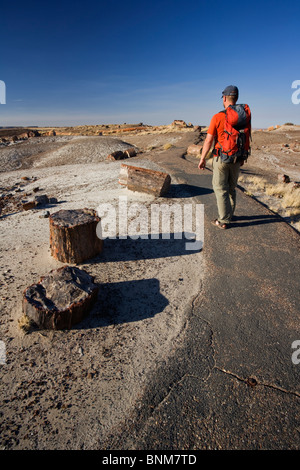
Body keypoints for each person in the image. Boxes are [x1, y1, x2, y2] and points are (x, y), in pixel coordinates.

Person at [198, 85, 249, 229]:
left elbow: (208, 140)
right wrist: (243, 157)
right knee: (232, 188)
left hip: (221, 158)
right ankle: (229, 214)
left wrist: (203, 158)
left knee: (220, 189)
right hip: (237, 158)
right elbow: (246, 137)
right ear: (236, 98)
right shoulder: (243, 117)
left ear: (225, 98)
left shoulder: (217, 116)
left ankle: (223, 220)